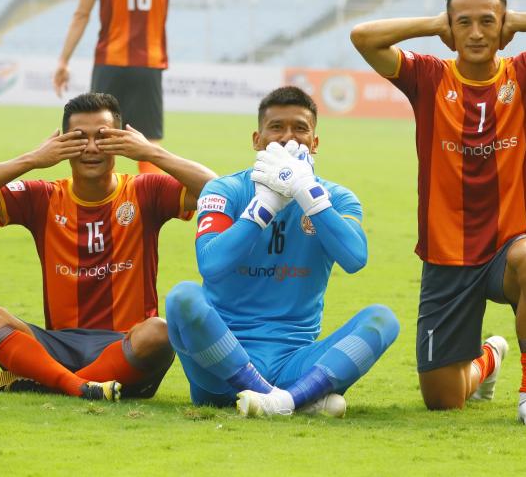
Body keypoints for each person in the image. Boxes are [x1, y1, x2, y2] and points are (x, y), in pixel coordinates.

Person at [351, 0, 526, 426]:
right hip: (447, 255)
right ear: (450, 27)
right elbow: (363, 37)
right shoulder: (427, 78)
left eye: (487, 22)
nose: (475, 33)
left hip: (508, 248)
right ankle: (490, 357)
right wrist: (433, 24)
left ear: (501, 25)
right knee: (443, 400)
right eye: (462, 22)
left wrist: (520, 21)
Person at [0, 92, 216, 401]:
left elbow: (215, 191)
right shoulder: (44, 198)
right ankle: (79, 386)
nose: (91, 148)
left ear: (120, 139)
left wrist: (152, 153)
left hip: (127, 347)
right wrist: (33, 159)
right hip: (60, 344)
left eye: (102, 138)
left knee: (159, 331)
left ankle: (51, 381)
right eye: (80, 138)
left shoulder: (146, 191)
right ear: (62, 144)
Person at [165, 86, 400, 418]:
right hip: (221, 364)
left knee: (383, 320)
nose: (289, 137)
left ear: (315, 142)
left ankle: (282, 401)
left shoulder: (337, 198)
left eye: (300, 128)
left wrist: (309, 195)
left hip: (295, 359)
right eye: (276, 127)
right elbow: (212, 264)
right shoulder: (227, 190)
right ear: (257, 139)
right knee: (182, 298)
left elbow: (355, 259)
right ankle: (296, 399)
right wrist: (264, 206)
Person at [53, 0, 207, 175]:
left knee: (95, 141)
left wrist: (63, 61)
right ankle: (150, 214)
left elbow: (81, 14)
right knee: (148, 149)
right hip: (148, 65)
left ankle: (96, 213)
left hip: (110, 62)